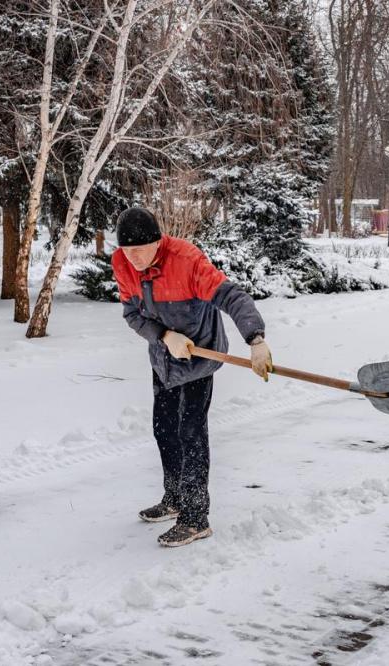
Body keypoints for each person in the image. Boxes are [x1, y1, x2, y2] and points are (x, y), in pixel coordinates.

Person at [111, 207, 273, 547]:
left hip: (200, 358)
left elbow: (231, 296)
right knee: (164, 429)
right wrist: (162, 335)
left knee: (190, 432)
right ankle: (174, 498)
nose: (134, 258)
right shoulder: (123, 263)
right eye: (127, 250)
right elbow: (131, 312)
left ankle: (195, 517)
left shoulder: (186, 260)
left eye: (140, 249)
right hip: (164, 360)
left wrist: (256, 340)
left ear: (158, 241)